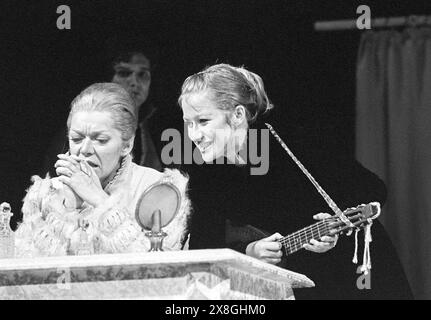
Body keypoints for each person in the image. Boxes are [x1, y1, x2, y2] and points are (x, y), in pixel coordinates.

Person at [179, 63, 412, 299]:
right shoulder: (206, 173)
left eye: (203, 121)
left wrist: (336, 228)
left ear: (238, 115)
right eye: (188, 122)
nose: (193, 134)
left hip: (350, 281)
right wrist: (249, 251)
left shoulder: (290, 141)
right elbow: (201, 251)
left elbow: (372, 189)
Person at [15, 83, 191, 257]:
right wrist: (65, 212)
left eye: (100, 140)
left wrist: (101, 201)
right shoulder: (44, 194)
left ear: (127, 145)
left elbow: (158, 270)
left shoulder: (158, 189)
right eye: (76, 139)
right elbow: (30, 272)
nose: (85, 149)